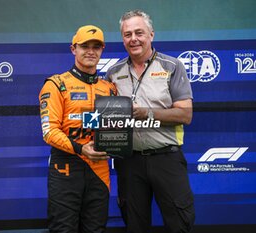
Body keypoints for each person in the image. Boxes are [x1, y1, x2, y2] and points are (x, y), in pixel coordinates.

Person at [105, 10, 195, 233]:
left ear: (151, 35)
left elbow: (185, 115)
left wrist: (148, 113)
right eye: (127, 34)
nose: (133, 39)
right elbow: (108, 117)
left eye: (139, 33)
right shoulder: (113, 73)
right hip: (129, 162)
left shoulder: (172, 66)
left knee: (179, 224)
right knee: (134, 225)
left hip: (166, 157)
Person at [39, 25, 116, 233]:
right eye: (84, 46)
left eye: (96, 46)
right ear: (73, 49)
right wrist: (82, 149)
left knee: (95, 229)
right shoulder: (56, 84)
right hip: (65, 167)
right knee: (63, 229)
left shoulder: (109, 88)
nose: (91, 51)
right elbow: (49, 132)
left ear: (102, 50)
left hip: (99, 170)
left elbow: (115, 128)